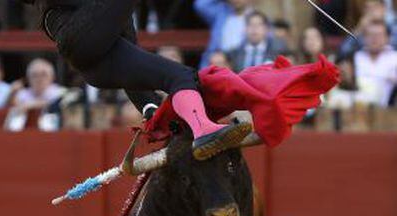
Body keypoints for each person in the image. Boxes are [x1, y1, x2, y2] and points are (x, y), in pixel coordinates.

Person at [20, 0, 251, 161]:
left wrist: (149, 108)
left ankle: (191, 124)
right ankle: (202, 129)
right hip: (80, 38)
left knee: (180, 76)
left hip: (95, 65)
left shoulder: (112, 13)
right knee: (181, 76)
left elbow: (130, 51)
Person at [194, 0, 254, 68]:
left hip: (241, 66)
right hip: (217, 63)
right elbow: (200, 4)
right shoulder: (221, 12)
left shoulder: (256, 18)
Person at [354, 19, 397, 106]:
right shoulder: (355, 57)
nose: (374, 39)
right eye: (371, 35)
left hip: (389, 109)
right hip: (359, 108)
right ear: (364, 37)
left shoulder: (395, 57)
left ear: (387, 38)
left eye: (378, 35)